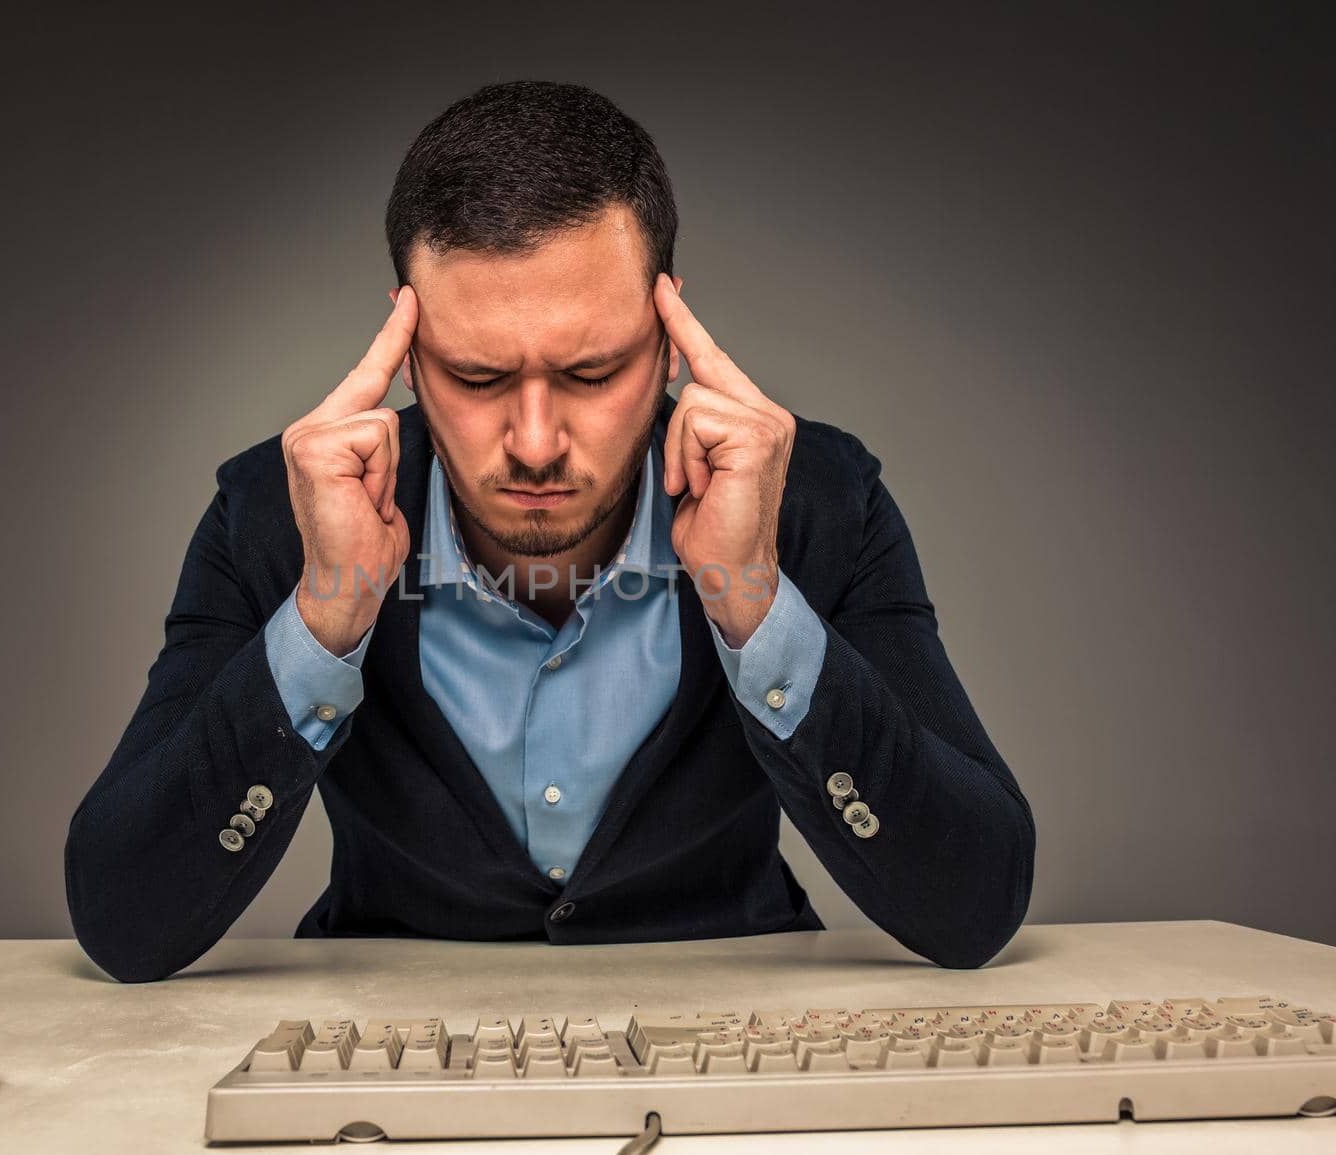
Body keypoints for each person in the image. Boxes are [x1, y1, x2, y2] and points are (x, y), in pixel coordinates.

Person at [64, 80, 1035, 983]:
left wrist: (751, 594)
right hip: (390, 1063)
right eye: (478, 378)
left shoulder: (814, 499)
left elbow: (972, 906)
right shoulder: (279, 514)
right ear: (405, 356)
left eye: (592, 373)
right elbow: (126, 923)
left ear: (667, 340)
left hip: (733, 1052)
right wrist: (327, 614)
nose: (534, 445)